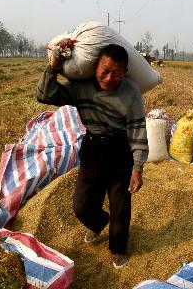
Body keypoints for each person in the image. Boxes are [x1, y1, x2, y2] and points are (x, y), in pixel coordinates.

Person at [37, 42, 148, 269]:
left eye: (116, 73)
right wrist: (53, 67)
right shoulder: (81, 86)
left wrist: (137, 168)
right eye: (104, 71)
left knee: (120, 205)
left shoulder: (131, 92)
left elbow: (137, 131)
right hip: (93, 148)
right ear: (95, 66)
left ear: (125, 72)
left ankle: (118, 248)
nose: (108, 78)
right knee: (82, 205)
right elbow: (45, 95)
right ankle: (98, 222)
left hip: (120, 151)